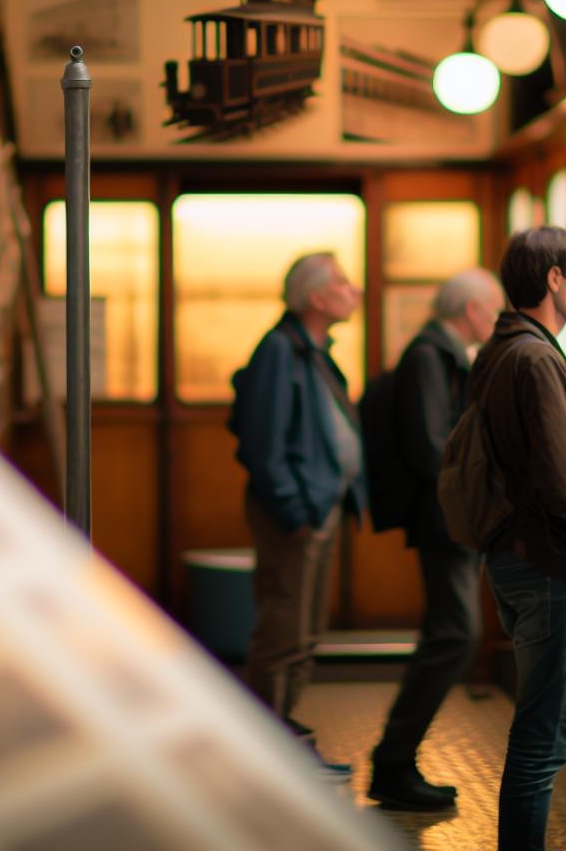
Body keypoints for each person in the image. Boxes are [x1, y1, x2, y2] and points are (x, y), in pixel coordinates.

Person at [471, 226, 566, 850]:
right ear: (554, 279)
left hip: (511, 554)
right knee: (545, 737)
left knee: (538, 729)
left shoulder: (500, 347)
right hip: (547, 562)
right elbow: (563, 482)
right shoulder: (536, 357)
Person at [366, 268, 503, 811]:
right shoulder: (429, 354)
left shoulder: (441, 352)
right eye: (491, 310)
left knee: (448, 633)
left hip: (452, 513)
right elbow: (429, 446)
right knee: (456, 634)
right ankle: (393, 761)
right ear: (470, 310)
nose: (494, 320)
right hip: (444, 516)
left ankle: (396, 761)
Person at [229, 251, 367, 780]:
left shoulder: (313, 350)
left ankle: (282, 736)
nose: (352, 289)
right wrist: (295, 509)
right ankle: (266, 750)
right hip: (297, 514)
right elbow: (263, 446)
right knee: (283, 630)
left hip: (318, 508)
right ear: (316, 297)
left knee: (305, 632)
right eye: (342, 282)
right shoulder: (279, 351)